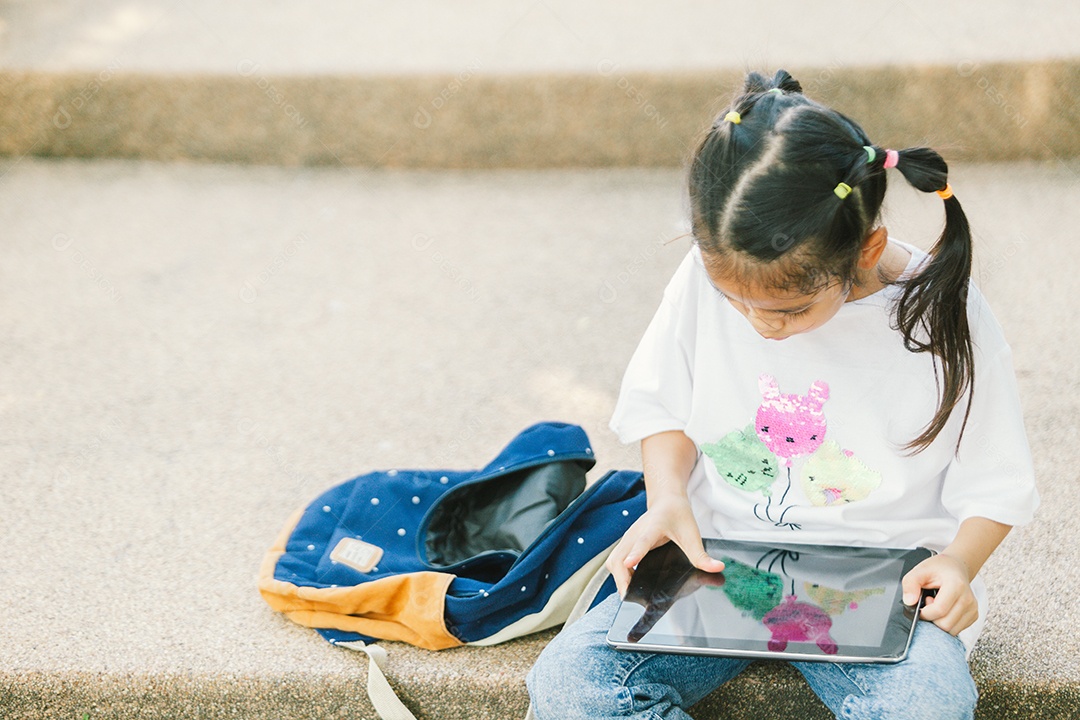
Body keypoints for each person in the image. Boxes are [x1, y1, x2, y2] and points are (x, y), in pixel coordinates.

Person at [526, 69, 1039, 719]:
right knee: (572, 686)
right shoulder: (705, 279)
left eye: (789, 309)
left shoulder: (942, 314)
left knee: (926, 705)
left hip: (884, 585)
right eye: (732, 300)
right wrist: (666, 500)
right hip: (717, 564)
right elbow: (664, 402)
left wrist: (959, 564)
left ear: (865, 249)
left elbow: (996, 484)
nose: (758, 324)